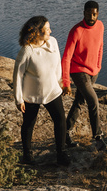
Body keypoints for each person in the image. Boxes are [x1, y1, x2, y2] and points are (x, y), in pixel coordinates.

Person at [13, 16, 70, 166]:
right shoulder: (27, 51)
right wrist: (18, 99)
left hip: (52, 91)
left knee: (60, 121)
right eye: (47, 29)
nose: (51, 31)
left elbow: (58, 64)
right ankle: (27, 156)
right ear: (37, 32)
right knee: (29, 124)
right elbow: (17, 75)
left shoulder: (53, 42)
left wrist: (62, 83)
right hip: (32, 95)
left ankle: (61, 154)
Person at [62, 0, 106, 150]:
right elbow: (66, 57)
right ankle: (98, 137)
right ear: (84, 13)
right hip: (78, 71)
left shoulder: (100, 26)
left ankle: (64, 133)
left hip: (93, 71)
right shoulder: (76, 31)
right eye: (88, 14)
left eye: (94, 14)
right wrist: (66, 82)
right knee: (93, 101)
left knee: (79, 102)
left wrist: (98, 66)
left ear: (97, 14)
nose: (91, 17)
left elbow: (100, 46)